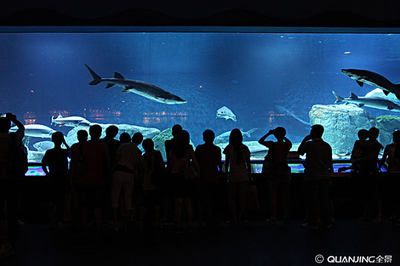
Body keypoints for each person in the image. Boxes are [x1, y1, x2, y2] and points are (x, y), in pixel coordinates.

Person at [298, 124, 333, 229]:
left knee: (312, 199)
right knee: (324, 199)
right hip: (324, 176)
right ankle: (326, 221)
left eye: (312, 130)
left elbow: (299, 152)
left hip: (312, 175)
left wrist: (305, 139)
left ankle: (312, 221)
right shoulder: (327, 145)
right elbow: (329, 163)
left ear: (313, 132)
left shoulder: (309, 144)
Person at [0, 113, 25, 258]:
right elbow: (22, 129)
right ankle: (11, 239)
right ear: (9, 127)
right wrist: (14, 120)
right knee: (12, 207)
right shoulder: (12, 138)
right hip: (10, 177)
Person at [78, 124, 109, 227]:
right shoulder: (103, 145)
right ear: (100, 133)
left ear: (90, 133)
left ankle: (84, 223)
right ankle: (98, 223)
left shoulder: (84, 145)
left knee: (85, 202)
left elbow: (80, 161)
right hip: (99, 177)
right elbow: (106, 161)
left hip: (85, 178)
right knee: (98, 202)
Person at [258, 127, 292, 223]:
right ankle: (285, 215)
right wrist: (284, 137)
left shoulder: (272, 144)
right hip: (284, 171)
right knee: (285, 195)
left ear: (275, 135)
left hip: (273, 172)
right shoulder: (286, 145)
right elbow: (290, 143)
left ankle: (273, 215)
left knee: (273, 195)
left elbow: (260, 141)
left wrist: (269, 134)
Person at [169, 130, 199, 232]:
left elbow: (171, 163)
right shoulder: (189, 148)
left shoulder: (173, 148)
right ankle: (189, 223)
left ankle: (177, 223)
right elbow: (195, 162)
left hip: (176, 176)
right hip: (186, 177)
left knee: (178, 201)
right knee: (188, 200)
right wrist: (198, 172)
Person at [111, 132, 142, 229]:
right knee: (128, 197)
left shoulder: (123, 146)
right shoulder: (138, 151)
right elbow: (138, 165)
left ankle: (115, 220)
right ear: (140, 141)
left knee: (115, 196)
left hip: (119, 172)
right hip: (130, 174)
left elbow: (116, 158)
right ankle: (128, 220)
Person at [41, 131, 70, 227]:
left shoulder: (49, 152)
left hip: (53, 177)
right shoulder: (64, 152)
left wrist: (47, 174)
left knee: (52, 199)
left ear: (52, 139)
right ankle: (61, 220)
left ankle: (52, 220)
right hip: (63, 177)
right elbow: (71, 154)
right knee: (62, 199)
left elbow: (43, 164)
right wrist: (65, 143)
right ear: (62, 140)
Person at [195, 129, 222, 227]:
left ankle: (203, 220)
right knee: (214, 199)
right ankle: (214, 220)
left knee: (203, 199)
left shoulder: (199, 148)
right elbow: (219, 164)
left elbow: (195, 162)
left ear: (203, 137)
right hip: (214, 176)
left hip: (202, 177)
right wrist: (221, 174)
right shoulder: (217, 149)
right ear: (213, 138)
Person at [223, 128, 251, 224]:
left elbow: (226, 164)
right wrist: (249, 175)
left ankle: (234, 218)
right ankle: (241, 217)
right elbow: (248, 163)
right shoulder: (245, 148)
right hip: (243, 175)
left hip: (232, 176)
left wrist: (226, 174)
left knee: (232, 198)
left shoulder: (228, 148)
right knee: (242, 198)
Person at [142, 138, 165, 236]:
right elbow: (161, 166)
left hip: (147, 182)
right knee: (156, 202)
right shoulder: (157, 154)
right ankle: (157, 220)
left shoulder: (144, 156)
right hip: (157, 181)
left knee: (146, 202)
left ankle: (144, 220)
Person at [163, 124, 183, 222]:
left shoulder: (168, 143)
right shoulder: (187, 146)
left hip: (171, 172)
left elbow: (169, 158)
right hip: (182, 174)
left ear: (172, 132)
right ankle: (179, 220)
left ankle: (167, 218)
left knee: (168, 196)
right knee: (180, 198)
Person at [363, 127, 383, 222]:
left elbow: (370, 158)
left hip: (370, 170)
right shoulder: (377, 144)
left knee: (373, 193)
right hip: (370, 170)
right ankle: (371, 215)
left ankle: (375, 215)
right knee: (371, 193)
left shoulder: (373, 144)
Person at [380, 130, 400, 223]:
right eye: (395, 136)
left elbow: (384, 159)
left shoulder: (389, 147)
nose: (395, 138)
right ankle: (392, 214)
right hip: (391, 173)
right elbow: (383, 159)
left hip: (394, 173)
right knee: (391, 195)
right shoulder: (389, 147)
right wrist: (379, 167)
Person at [69, 130, 88, 226]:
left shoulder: (74, 146)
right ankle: (85, 219)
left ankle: (75, 218)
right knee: (85, 197)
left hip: (75, 174)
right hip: (87, 175)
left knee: (75, 196)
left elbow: (70, 156)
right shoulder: (90, 147)